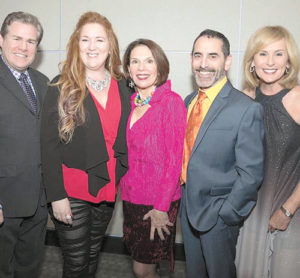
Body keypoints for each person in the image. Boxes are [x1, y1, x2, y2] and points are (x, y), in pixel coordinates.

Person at [41, 12, 131, 278]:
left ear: (110, 45)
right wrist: (56, 195)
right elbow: (48, 147)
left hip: (107, 187)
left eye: (99, 40)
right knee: (76, 262)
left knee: (92, 257)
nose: (92, 47)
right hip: (71, 189)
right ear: (75, 45)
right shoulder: (60, 87)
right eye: (85, 40)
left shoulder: (124, 86)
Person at [180, 29, 265, 278]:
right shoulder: (188, 101)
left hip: (218, 215)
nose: (203, 64)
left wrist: (226, 214)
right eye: (198, 55)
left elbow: (251, 174)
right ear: (191, 59)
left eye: (213, 56)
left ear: (227, 61)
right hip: (187, 208)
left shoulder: (246, 108)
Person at [236, 26, 300, 278]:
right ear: (252, 61)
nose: (270, 62)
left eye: (278, 54)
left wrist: (288, 209)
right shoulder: (244, 99)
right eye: (263, 54)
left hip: (290, 212)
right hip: (250, 213)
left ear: (289, 60)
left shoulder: (297, 98)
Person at [120, 39, 186, 278]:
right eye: (135, 62)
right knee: (141, 263)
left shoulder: (171, 102)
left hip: (157, 203)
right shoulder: (132, 103)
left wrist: (161, 208)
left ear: (160, 66)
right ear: (128, 69)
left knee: (142, 269)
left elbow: (174, 161)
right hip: (132, 199)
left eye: (149, 61)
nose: (141, 67)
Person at [0, 11, 49, 278]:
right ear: (1, 39)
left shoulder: (42, 83)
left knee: (28, 270)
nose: (23, 47)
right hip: (3, 203)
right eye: (16, 38)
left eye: (30, 41)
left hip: (37, 203)